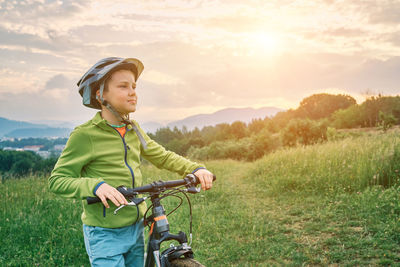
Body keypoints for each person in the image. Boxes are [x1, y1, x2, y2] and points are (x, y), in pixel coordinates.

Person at [48, 57, 214, 267]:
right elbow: (58, 180)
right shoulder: (85, 135)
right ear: (100, 94)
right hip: (104, 233)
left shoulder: (133, 129)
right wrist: (96, 186)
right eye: (123, 86)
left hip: (136, 227)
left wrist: (195, 168)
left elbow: (161, 155)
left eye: (134, 86)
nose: (133, 92)